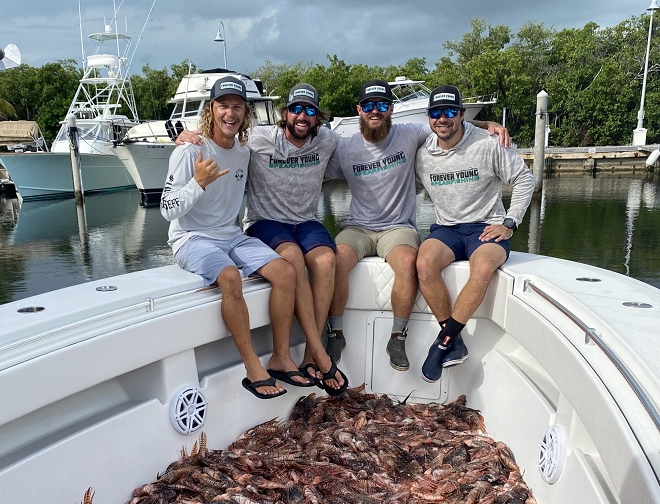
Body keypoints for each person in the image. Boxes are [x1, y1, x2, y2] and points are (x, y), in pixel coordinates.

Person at [324, 80, 510, 372]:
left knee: (410, 261)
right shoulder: (345, 149)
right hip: (357, 226)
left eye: (382, 105)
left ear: (391, 109)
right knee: (332, 260)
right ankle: (335, 332)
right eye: (369, 106)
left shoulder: (410, 133)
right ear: (359, 110)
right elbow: (311, 170)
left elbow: (449, 124)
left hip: (398, 226)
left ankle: (397, 336)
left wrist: (487, 124)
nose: (376, 111)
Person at [175, 83, 347, 395]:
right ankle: (298, 354)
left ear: (318, 117)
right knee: (292, 259)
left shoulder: (327, 141)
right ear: (285, 113)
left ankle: (310, 356)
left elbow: (362, 149)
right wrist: (184, 136)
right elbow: (216, 137)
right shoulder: (258, 139)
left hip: (303, 221)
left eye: (310, 110)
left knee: (327, 260)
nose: (302, 116)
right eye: (296, 109)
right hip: (265, 222)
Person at [161, 75, 303, 400]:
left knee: (285, 272)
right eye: (223, 105)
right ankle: (253, 367)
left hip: (232, 236)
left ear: (245, 113)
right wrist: (198, 182)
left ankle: (280, 356)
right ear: (212, 109)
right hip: (191, 238)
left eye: (237, 107)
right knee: (229, 277)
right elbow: (168, 210)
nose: (230, 113)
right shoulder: (190, 152)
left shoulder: (243, 152)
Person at [415, 85, 534, 382]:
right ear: (429, 117)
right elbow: (409, 191)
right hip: (447, 228)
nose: (443, 119)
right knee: (423, 264)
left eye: (450, 112)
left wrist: (509, 223)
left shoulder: (489, 143)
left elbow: (523, 179)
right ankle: (455, 339)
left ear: (462, 114)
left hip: (486, 224)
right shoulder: (422, 154)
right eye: (436, 113)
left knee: (481, 270)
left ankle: (443, 341)